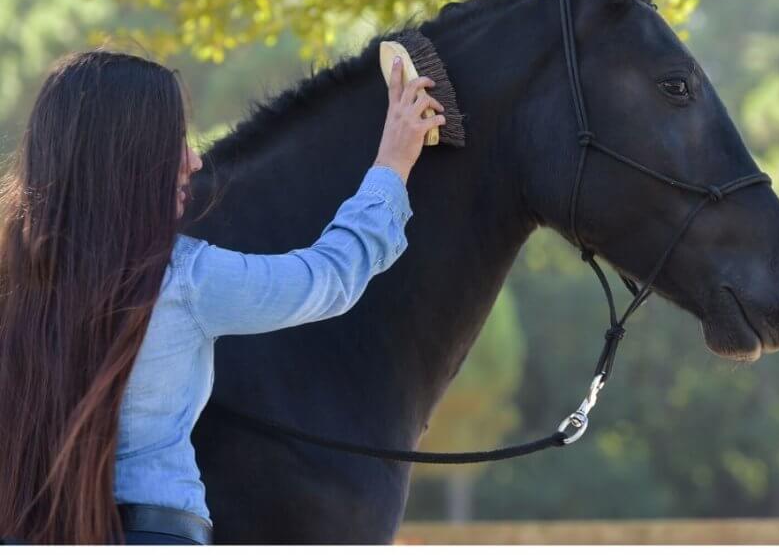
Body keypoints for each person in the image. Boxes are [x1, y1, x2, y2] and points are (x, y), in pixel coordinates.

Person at [0, 49, 446, 545]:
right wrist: (393, 162)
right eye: (172, 141)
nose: (193, 161)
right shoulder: (181, 278)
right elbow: (327, 277)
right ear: (123, 156)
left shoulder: (14, 278)